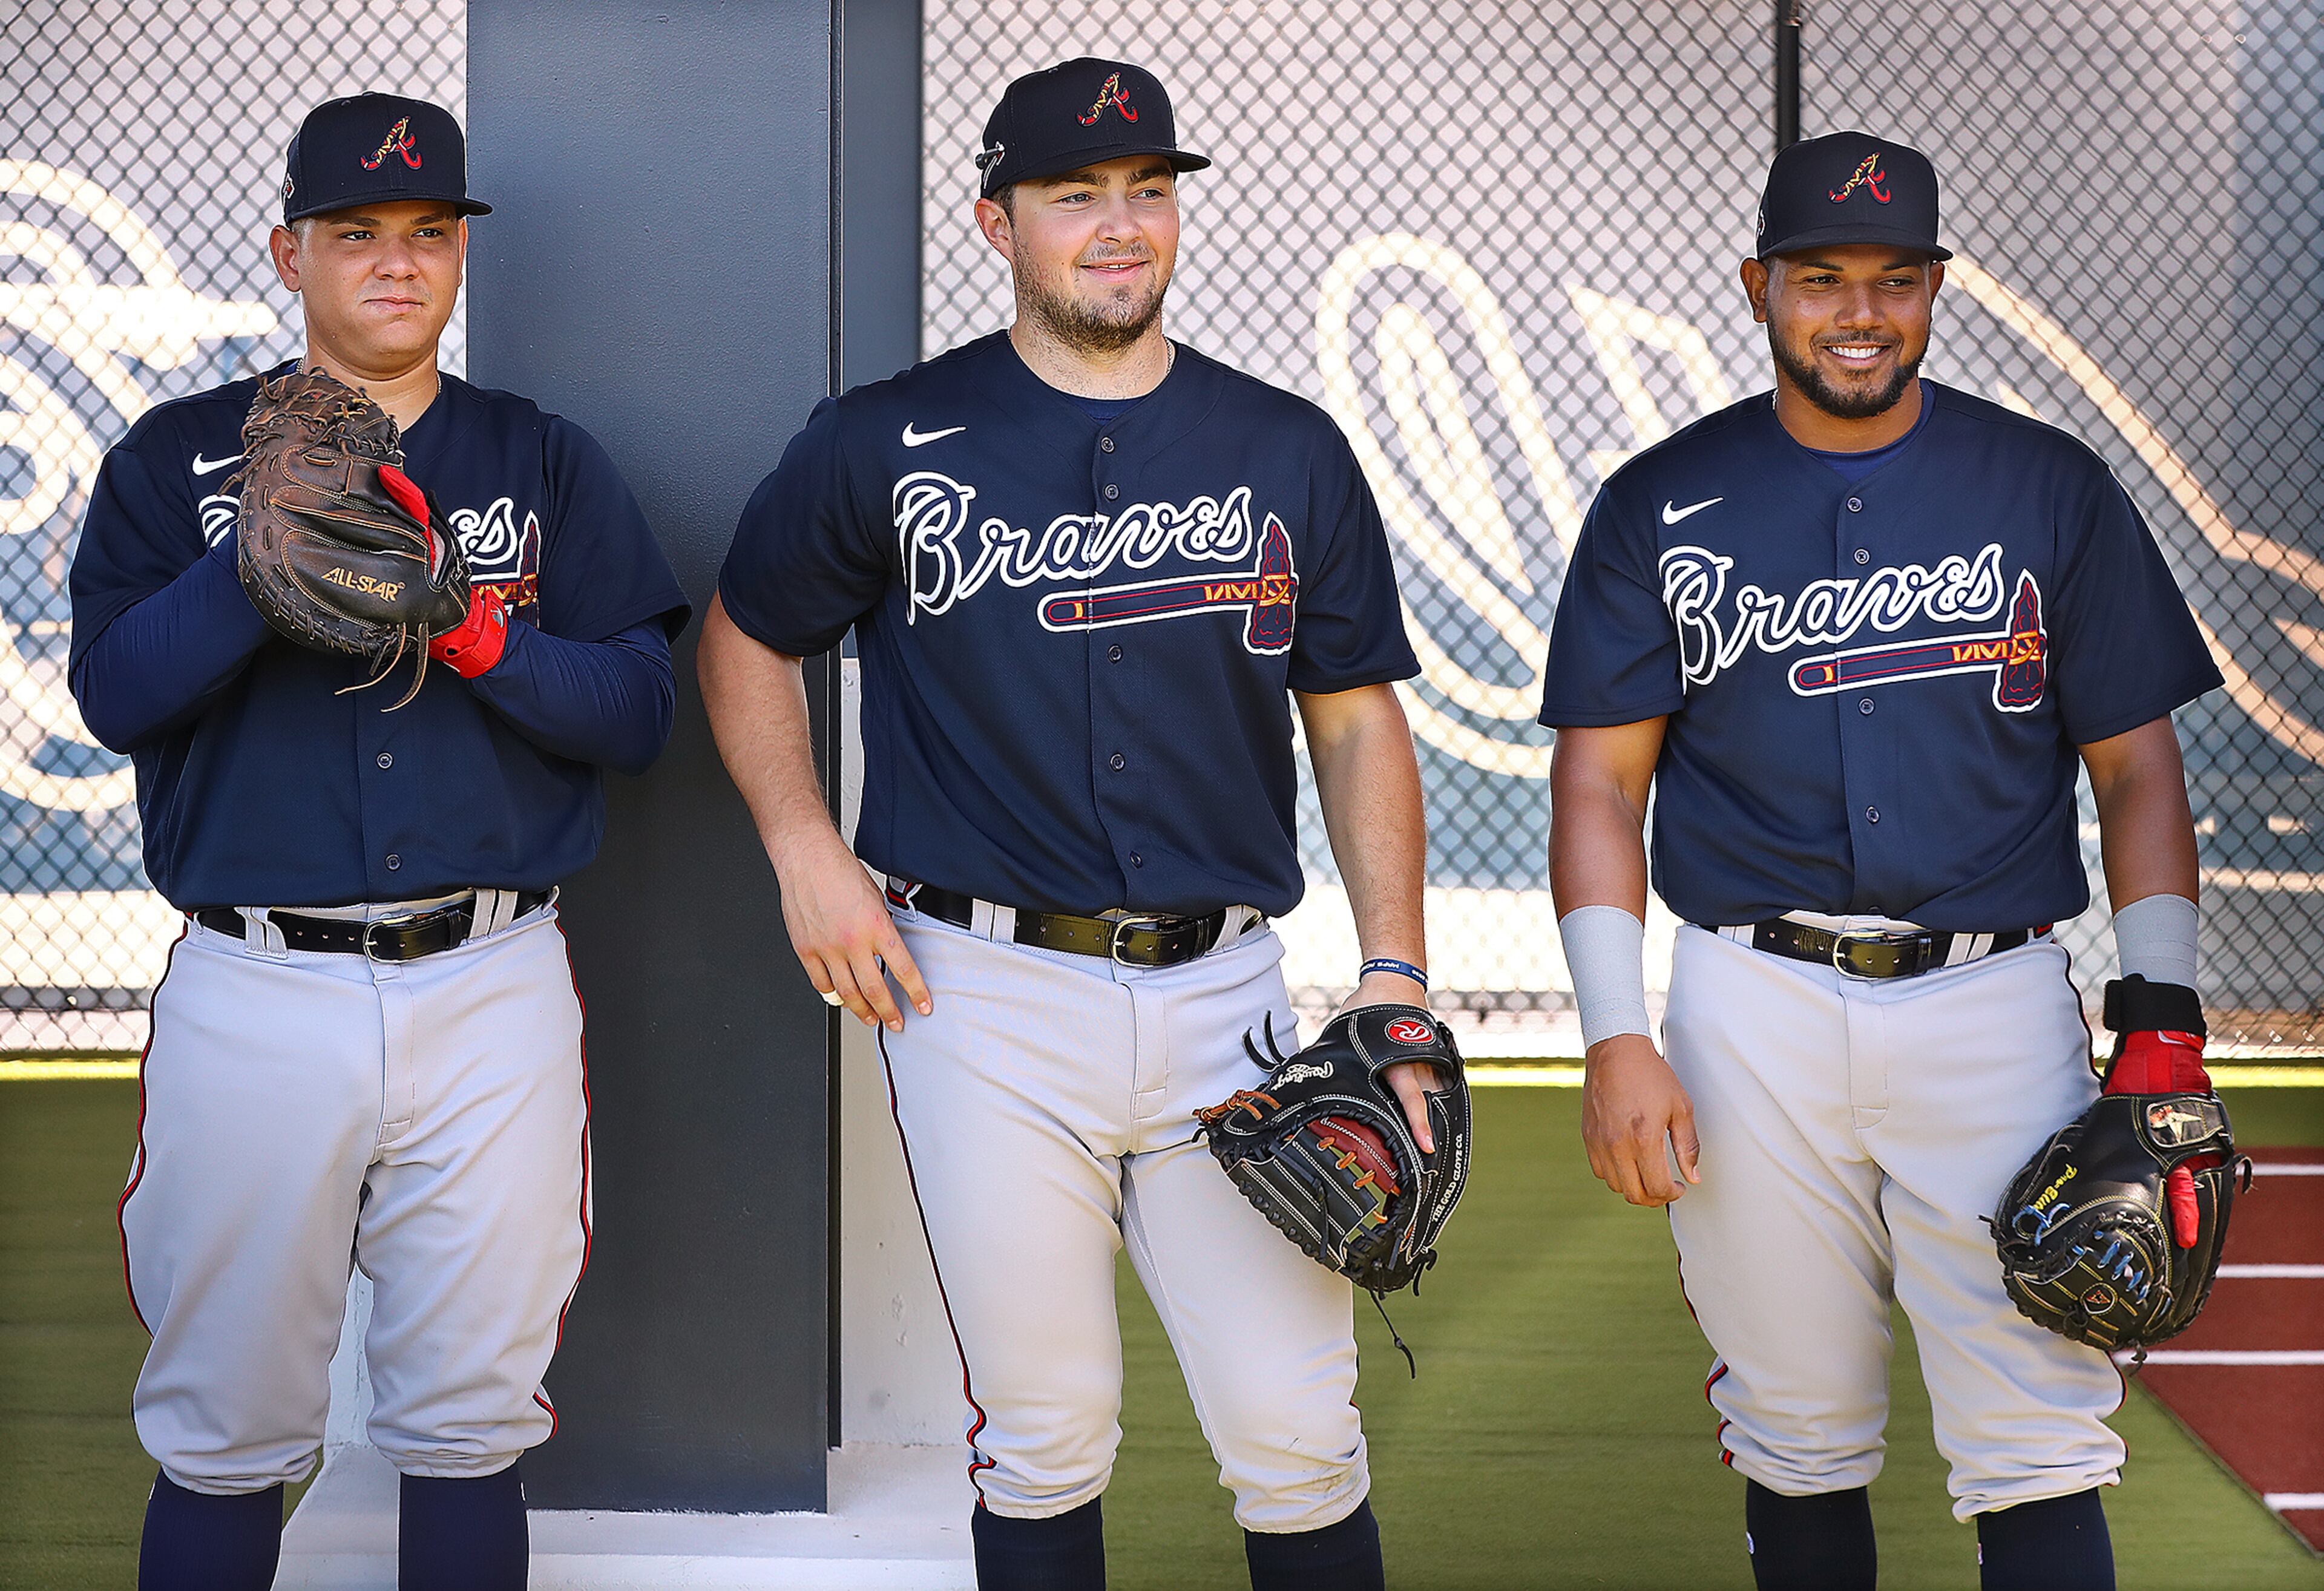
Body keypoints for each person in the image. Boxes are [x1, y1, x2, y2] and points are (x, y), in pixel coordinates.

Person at [699, 57, 1441, 1591]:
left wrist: (1395, 970)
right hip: (982, 994)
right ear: (996, 218)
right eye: (1076, 195)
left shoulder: (1285, 447)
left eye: (1149, 193)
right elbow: (745, 633)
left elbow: (1358, 713)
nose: (1120, 227)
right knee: (1045, 1431)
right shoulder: (886, 439)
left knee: (1296, 1429)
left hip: (1229, 993)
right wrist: (803, 846)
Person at [1541, 131, 2222, 1591]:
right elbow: (1600, 781)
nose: (1860, 311)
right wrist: (1612, 1030)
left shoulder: (2046, 486)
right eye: (1822, 278)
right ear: (1759, 286)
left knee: (2039, 1429)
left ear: (1935, 289)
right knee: (1795, 1429)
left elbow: (2137, 764)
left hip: (1994, 1004)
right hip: (1751, 1006)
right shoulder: (1661, 499)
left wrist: (2162, 1020)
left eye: (1895, 280)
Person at [68, 93, 689, 1591]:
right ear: (291, 251)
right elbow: (115, 691)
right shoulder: (178, 457)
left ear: (460, 256)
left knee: (470, 1416)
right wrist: (254, 559)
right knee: (223, 1421)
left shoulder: (541, 460)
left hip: (491, 980)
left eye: (428, 234)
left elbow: (639, 712)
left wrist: (475, 630)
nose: (396, 262)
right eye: (357, 233)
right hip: (257, 981)